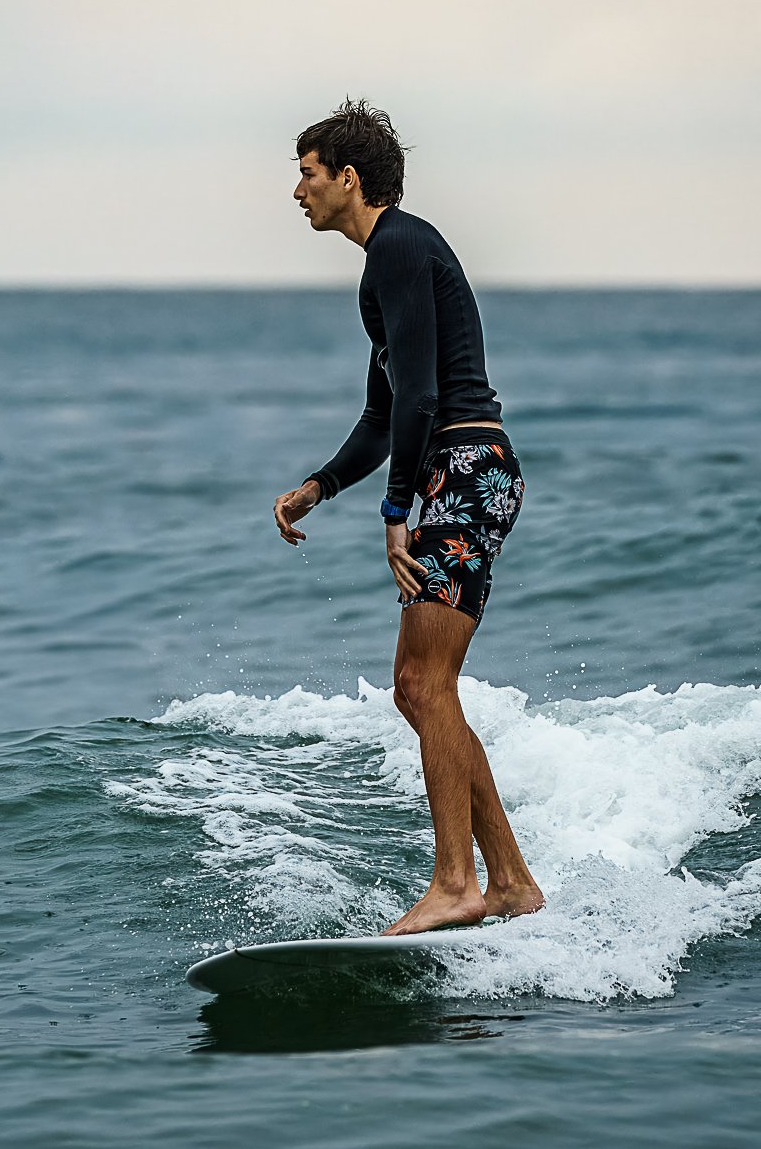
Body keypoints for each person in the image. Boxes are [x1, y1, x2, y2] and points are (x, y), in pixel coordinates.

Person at [271, 98, 545, 936]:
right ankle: (507, 880)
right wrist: (319, 486)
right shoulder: (388, 260)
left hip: (463, 468)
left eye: (308, 174)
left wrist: (397, 512)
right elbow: (387, 412)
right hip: (467, 467)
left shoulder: (396, 246)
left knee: (424, 684)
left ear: (348, 177)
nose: (297, 192)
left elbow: (425, 398)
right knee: (420, 691)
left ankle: (457, 882)